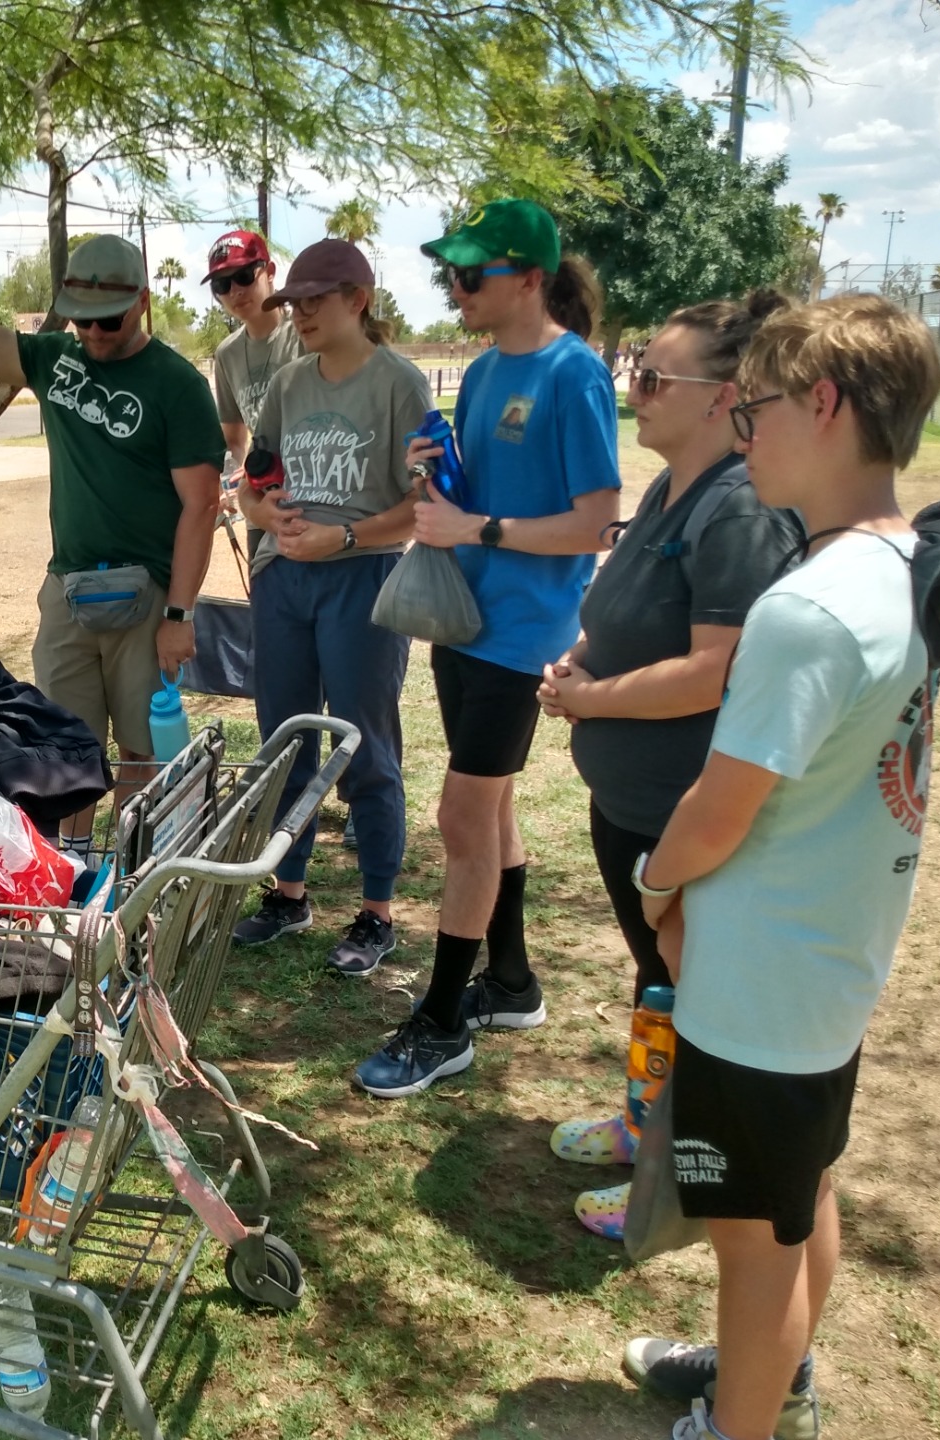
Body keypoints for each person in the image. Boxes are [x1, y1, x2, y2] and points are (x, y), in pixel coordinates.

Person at [622, 295, 940, 1440]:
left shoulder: (805, 608)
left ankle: (740, 1417)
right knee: (800, 1192)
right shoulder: (907, 566)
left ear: (824, 402)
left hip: (759, 986)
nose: (742, 434)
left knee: (752, 1246)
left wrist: (657, 886)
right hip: (828, 962)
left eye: (754, 409)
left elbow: (721, 808)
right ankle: (770, 1375)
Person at [534, 290, 804, 1242]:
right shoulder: (669, 487)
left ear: (722, 395)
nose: (635, 389)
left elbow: (712, 672)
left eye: (654, 377)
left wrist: (591, 698)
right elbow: (630, 613)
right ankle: (644, 1125)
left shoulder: (736, 508)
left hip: (682, 807)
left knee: (689, 987)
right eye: (636, 370)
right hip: (633, 797)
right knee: (658, 977)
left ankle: (666, 1175)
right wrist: (581, 656)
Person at [352, 198, 621, 1099]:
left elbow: (592, 524)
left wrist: (480, 526)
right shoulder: (477, 374)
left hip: (523, 637)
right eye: (451, 274)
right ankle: (510, 984)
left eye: (472, 274)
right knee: (492, 813)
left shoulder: (573, 375)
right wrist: (438, 470)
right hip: (465, 621)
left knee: (462, 823)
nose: (456, 288)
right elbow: (476, 492)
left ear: (530, 278)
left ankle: (442, 1024)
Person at [0, 217, 223, 852]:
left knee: (141, 746)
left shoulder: (178, 385)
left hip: (147, 595)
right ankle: (76, 871)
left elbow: (201, 506)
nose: (94, 333)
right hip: (69, 590)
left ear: (142, 302)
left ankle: (132, 866)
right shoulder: (54, 361)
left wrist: (179, 613)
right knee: (64, 746)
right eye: (82, 318)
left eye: (109, 319)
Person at [228, 240, 432, 974]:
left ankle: (377, 913)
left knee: (365, 746)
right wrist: (267, 515)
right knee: (286, 740)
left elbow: (422, 506)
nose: (301, 314)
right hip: (285, 580)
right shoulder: (287, 384)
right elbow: (254, 483)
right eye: (294, 303)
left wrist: (341, 534)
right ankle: (288, 892)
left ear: (359, 300)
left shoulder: (401, 386)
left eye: (316, 300)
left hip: (364, 579)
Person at [205, 228, 302, 479]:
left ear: (269, 273)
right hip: (261, 493)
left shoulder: (305, 336)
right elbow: (234, 441)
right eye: (222, 284)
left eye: (245, 276)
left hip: (314, 490)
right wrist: (226, 479)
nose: (235, 291)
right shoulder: (226, 354)